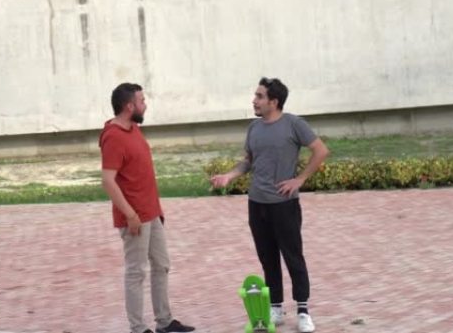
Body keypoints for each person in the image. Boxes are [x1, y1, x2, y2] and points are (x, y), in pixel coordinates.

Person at [210, 77, 329, 333]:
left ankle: (303, 311)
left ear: (273, 102)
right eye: (255, 96)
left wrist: (300, 179)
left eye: (259, 96)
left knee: (293, 257)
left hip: (284, 205)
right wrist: (229, 175)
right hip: (257, 204)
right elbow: (248, 161)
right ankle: (275, 306)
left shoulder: (293, 124)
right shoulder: (254, 128)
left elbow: (321, 151)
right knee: (268, 258)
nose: (254, 100)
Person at [100, 83, 195, 333]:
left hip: (151, 213)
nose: (145, 104)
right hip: (134, 218)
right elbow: (108, 180)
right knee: (136, 272)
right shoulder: (113, 136)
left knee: (161, 265)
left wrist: (156, 211)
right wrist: (130, 215)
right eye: (142, 101)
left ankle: (164, 322)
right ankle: (138, 328)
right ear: (129, 106)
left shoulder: (133, 130)